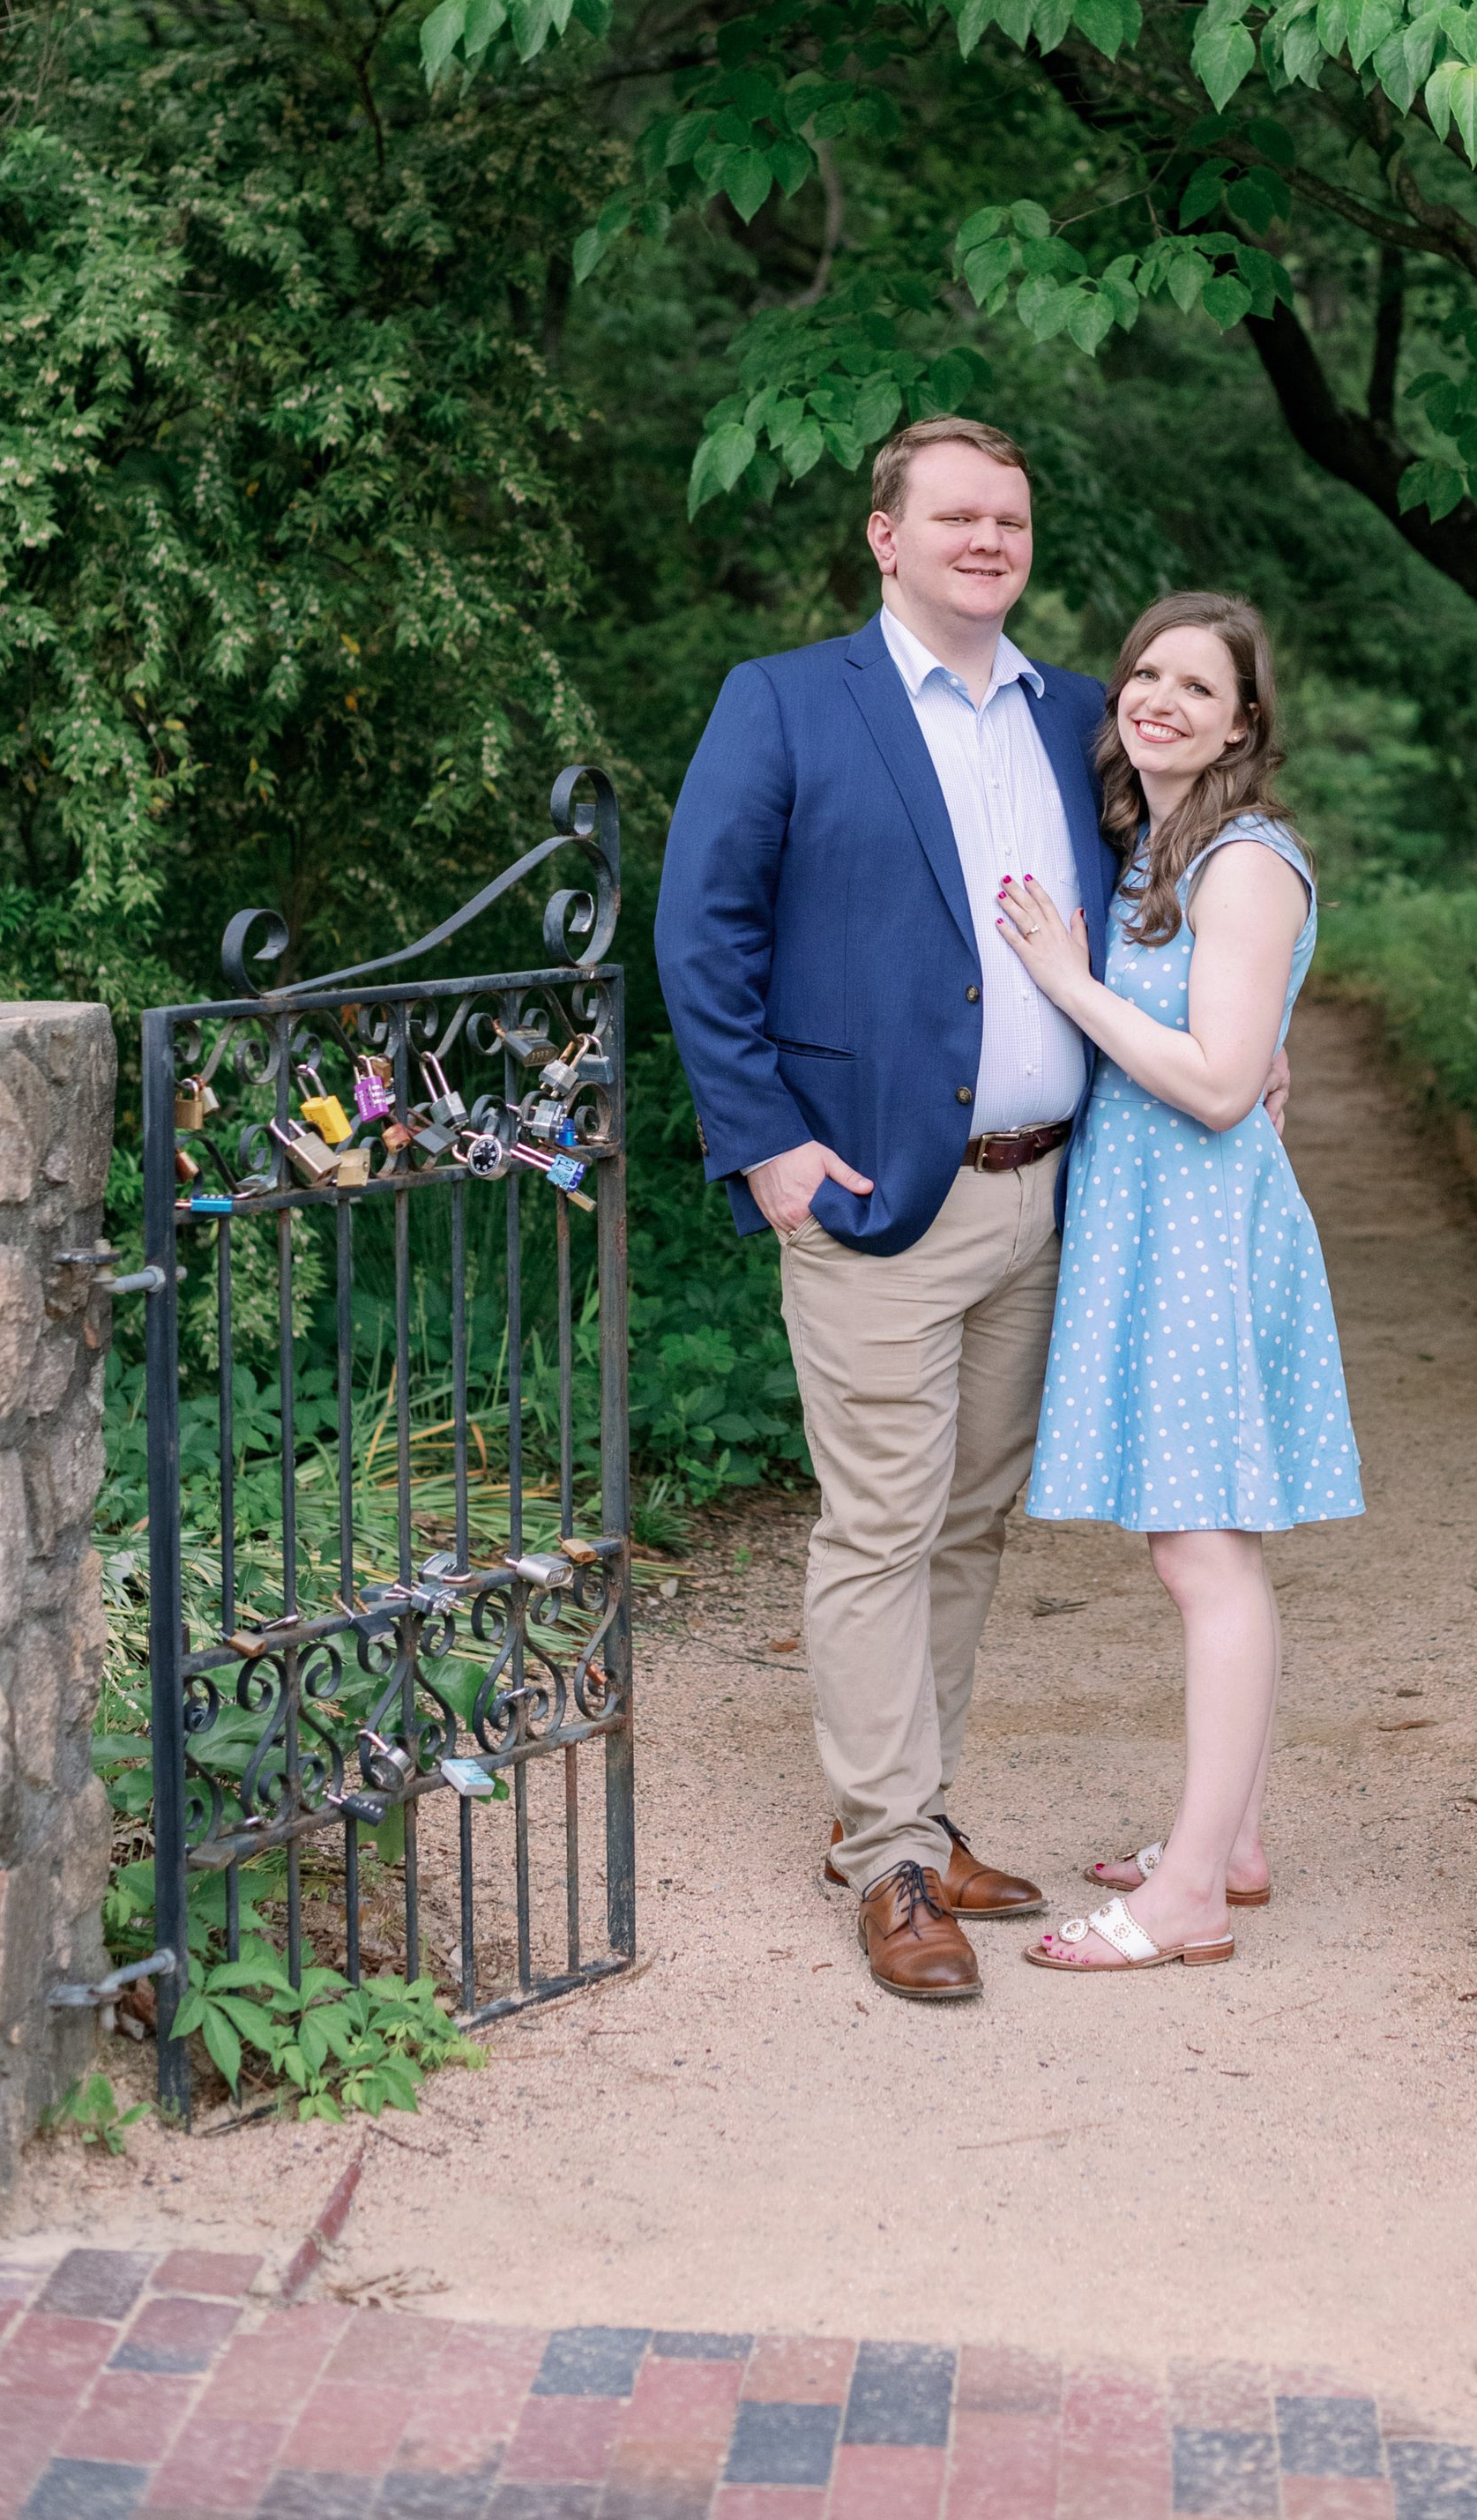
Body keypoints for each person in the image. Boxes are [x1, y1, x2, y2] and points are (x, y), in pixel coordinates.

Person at [654, 417, 1115, 2004]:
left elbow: (1146, 909)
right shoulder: (787, 701)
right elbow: (698, 928)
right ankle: (888, 1860)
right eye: (958, 515)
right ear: (885, 537)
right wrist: (764, 1141)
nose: (989, 539)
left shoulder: (1077, 715)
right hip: (867, 1198)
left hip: (1042, 1187)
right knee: (879, 1523)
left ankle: (909, 1809)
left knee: (972, 1524)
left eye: (1011, 515)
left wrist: (1237, 1053)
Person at [993, 592, 1363, 1976]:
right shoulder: (1160, 844)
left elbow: (1215, 1085)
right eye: (1144, 673)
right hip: (1157, 1221)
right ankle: (1234, 1840)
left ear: (1244, 723)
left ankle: (1192, 1893)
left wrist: (1070, 984)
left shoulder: (1245, 860)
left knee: (1202, 1554)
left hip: (1205, 1226)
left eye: (1197, 687)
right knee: (1203, 1548)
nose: (1159, 699)